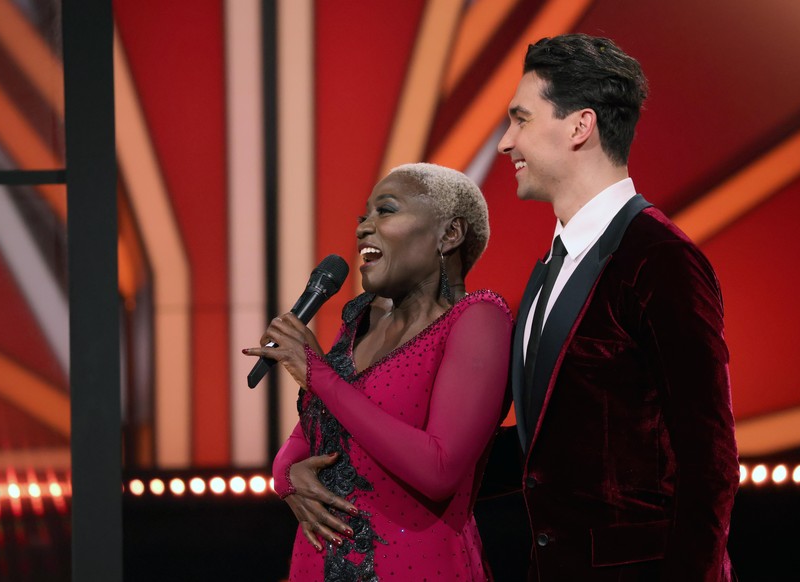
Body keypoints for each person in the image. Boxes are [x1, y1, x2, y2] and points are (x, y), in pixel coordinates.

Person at [496, 33, 739, 580]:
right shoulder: (548, 266)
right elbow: (546, 453)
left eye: (522, 119)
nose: (505, 142)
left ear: (580, 126)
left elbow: (710, 462)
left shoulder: (660, 259)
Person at [243, 163, 513, 581]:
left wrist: (318, 374)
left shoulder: (478, 320)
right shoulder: (359, 319)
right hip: (317, 563)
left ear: (450, 234)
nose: (364, 228)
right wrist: (287, 477)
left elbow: (439, 469)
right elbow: (303, 444)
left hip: (416, 565)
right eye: (361, 218)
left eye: (385, 211)